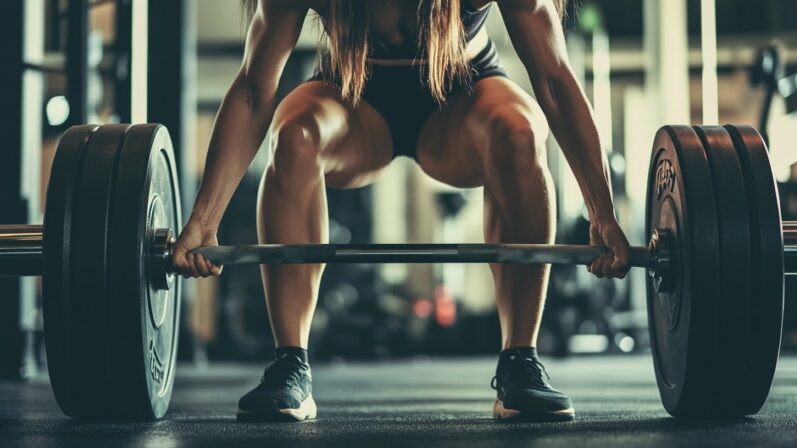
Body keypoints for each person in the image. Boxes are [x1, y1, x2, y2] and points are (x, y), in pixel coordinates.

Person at [172, 0, 631, 423]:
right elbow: (255, 90)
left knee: (519, 134)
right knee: (294, 135)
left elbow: (553, 80)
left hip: (462, 96)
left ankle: (520, 363)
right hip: (351, 95)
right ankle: (290, 363)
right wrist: (203, 221)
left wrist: (602, 214)